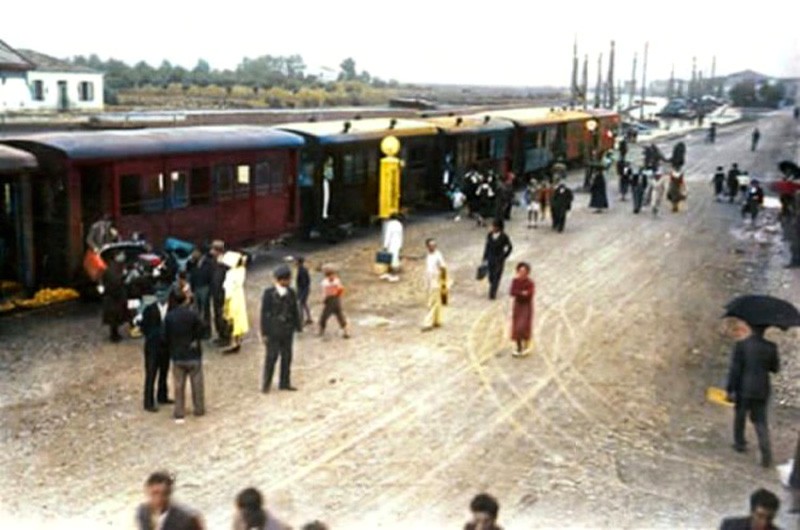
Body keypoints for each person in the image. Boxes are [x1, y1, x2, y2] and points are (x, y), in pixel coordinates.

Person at [726, 324, 779, 467]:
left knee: (740, 416)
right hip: (762, 388)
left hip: (744, 387)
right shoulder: (771, 347)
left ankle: (740, 443)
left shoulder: (742, 345)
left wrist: (730, 389)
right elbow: (775, 369)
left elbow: (735, 370)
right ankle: (766, 453)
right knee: (760, 421)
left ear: (751, 328)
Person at [260, 265, 303, 393]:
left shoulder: (291, 292)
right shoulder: (268, 294)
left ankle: (284, 382)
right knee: (271, 357)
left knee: (287, 357)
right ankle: (266, 384)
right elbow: (264, 313)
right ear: (282, 280)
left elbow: (295, 310)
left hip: (287, 330)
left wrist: (297, 326)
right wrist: (264, 332)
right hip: (273, 331)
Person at [165, 291, 205, 422]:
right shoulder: (193, 315)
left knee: (178, 384)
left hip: (177, 355)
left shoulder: (169, 317)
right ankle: (199, 408)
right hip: (193, 354)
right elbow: (202, 329)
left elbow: (165, 335)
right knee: (197, 382)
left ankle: (179, 410)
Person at [140, 287, 173, 412]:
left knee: (164, 372)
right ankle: (148, 401)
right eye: (159, 295)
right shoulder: (149, 309)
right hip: (152, 346)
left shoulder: (171, 308)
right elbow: (143, 326)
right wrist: (152, 335)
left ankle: (162, 396)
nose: (162, 297)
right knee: (151, 373)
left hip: (166, 346)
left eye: (164, 295)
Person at [135, 471, 204, 530]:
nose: (159, 499)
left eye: (164, 494)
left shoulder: (187, 518)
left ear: (170, 493)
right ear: (147, 491)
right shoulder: (142, 513)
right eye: (155, 493)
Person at [222, 253, 249, 354]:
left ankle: (234, 342)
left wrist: (226, 302)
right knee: (238, 319)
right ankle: (237, 341)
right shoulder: (241, 271)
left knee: (232, 320)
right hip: (239, 296)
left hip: (232, 297)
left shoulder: (231, 274)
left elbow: (228, 289)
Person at [482, 219, 513, 300]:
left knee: (497, 275)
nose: (493, 228)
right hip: (490, 258)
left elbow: (510, 247)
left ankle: (492, 293)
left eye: (494, 226)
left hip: (499, 259)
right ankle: (493, 285)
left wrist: (505, 256)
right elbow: (487, 246)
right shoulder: (489, 235)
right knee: (491, 276)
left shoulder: (504, 236)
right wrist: (485, 257)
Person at [101, 251, 128, 343]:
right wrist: (123, 277)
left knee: (116, 316)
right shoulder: (112, 268)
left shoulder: (117, 267)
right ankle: (114, 335)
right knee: (114, 316)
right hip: (113, 296)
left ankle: (115, 333)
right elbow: (115, 281)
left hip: (115, 296)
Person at [509, 262, 535, 357]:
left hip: (526, 306)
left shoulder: (530, 283)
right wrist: (522, 293)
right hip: (518, 306)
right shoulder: (515, 281)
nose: (521, 273)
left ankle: (526, 344)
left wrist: (521, 293)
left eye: (524, 271)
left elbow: (529, 294)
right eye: (520, 271)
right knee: (517, 327)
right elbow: (512, 292)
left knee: (524, 325)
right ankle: (518, 346)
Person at [188, 247, 213, 339]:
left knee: (205, 311)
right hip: (196, 287)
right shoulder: (193, 263)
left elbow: (210, 276)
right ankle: (199, 330)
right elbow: (191, 275)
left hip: (204, 287)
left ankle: (207, 331)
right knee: (197, 310)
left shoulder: (208, 263)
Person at [318, 264, 350, 339]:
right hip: (331, 299)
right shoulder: (329, 282)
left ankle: (345, 332)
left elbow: (340, 289)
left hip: (334, 299)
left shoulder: (331, 282)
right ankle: (322, 330)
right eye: (330, 275)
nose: (332, 276)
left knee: (338, 316)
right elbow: (325, 293)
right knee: (325, 317)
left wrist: (336, 295)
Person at [209, 240, 231, 346]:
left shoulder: (225, 263)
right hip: (216, 292)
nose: (211, 251)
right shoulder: (215, 261)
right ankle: (221, 335)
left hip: (222, 293)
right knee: (217, 315)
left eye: (213, 249)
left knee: (223, 315)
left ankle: (226, 337)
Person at [422, 238, 446, 331]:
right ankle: (437, 320)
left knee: (431, 302)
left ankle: (428, 322)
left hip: (436, 280)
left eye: (434, 245)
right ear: (427, 247)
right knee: (435, 301)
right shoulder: (428, 255)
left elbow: (443, 267)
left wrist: (442, 281)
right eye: (431, 245)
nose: (433, 247)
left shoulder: (438, 255)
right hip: (429, 280)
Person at [295, 257, 312, 326]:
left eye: (296, 261)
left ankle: (301, 321)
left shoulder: (302, 271)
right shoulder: (302, 269)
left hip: (303, 290)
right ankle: (309, 318)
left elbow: (304, 283)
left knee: (301, 305)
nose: (295, 263)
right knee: (304, 304)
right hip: (303, 289)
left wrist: (301, 293)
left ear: (299, 262)